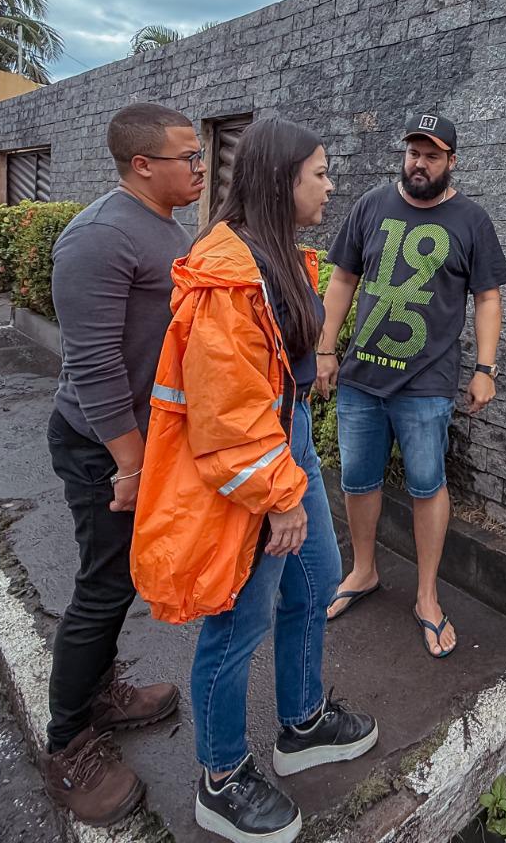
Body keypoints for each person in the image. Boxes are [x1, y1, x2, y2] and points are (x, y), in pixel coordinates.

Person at [132, 119, 377, 843]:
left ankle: (301, 721)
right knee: (238, 622)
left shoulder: (271, 258)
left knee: (316, 581)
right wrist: (277, 498)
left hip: (283, 445)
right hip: (246, 469)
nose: (332, 188)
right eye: (321, 174)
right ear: (282, 181)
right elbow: (227, 413)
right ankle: (222, 774)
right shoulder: (227, 275)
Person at [37, 102, 202, 826]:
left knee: (122, 580)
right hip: (102, 448)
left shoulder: (164, 226)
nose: (201, 167)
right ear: (143, 165)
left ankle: (101, 695)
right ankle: (68, 740)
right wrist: (130, 467)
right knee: (103, 587)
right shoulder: (97, 237)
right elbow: (96, 365)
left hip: (142, 447)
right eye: (188, 157)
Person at [317, 112, 506, 659]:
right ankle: (363, 571)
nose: (418, 163)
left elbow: (488, 296)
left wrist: (485, 368)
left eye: (430, 155)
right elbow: (343, 278)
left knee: (427, 484)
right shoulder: (371, 206)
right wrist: (326, 348)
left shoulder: (471, 220)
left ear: (451, 161)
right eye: (412, 152)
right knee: (358, 480)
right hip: (361, 378)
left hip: (427, 383)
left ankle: (427, 595)